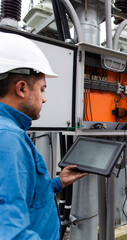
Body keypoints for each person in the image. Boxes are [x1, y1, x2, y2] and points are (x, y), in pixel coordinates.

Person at [0, 32, 88, 239]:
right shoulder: (8, 138)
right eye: (42, 89)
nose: (45, 99)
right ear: (21, 88)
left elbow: (25, 194)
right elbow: (10, 233)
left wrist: (58, 182)